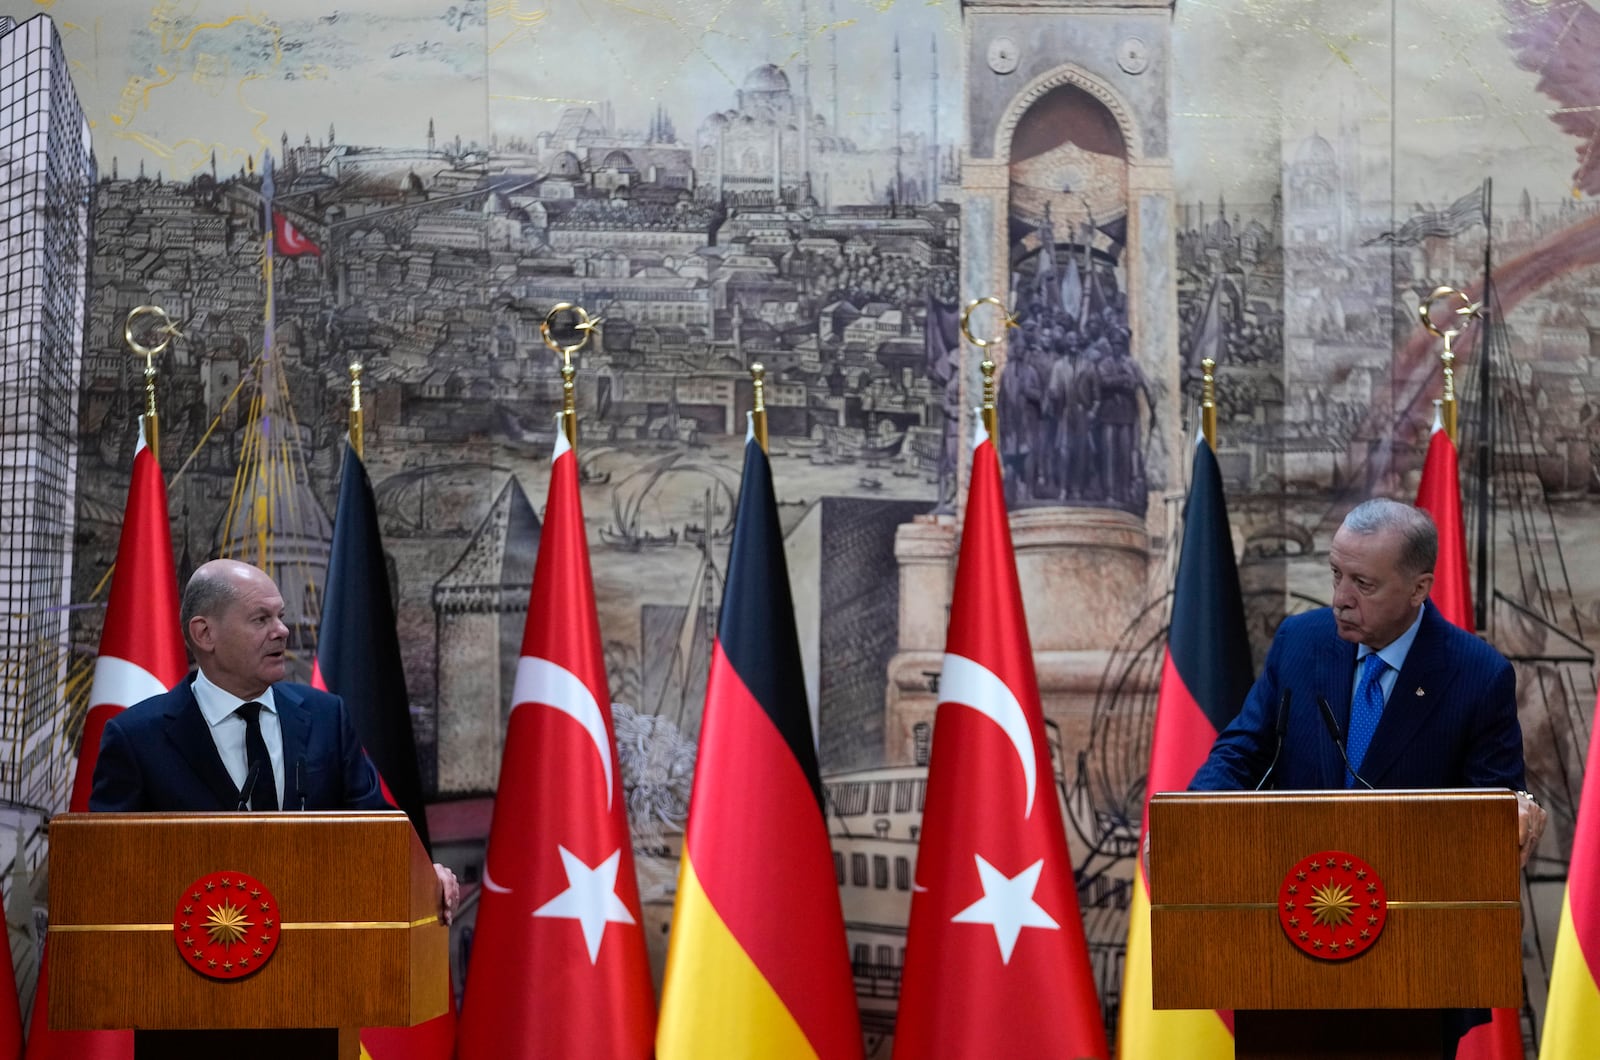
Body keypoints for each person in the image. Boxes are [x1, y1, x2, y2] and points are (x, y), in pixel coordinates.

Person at [1187, 499, 1546, 1057]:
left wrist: (1514, 813)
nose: (1340, 599)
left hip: (1411, 974)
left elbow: (1496, 802)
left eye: (1363, 584)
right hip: (1288, 958)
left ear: (1418, 588)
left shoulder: (1478, 675)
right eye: (1335, 575)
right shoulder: (1301, 643)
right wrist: (1194, 820)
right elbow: (1243, 748)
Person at [90, 559, 460, 922]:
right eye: (261, 619)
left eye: (280, 616)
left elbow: (379, 834)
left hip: (314, 957)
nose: (282, 631)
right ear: (204, 634)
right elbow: (106, 873)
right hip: (191, 958)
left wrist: (427, 877)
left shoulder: (326, 716)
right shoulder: (137, 738)